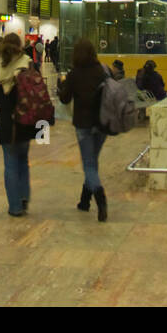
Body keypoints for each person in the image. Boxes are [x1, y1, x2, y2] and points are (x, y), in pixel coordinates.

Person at [58, 38, 112, 221]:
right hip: (102, 124)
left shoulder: (74, 74)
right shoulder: (102, 71)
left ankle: (100, 199)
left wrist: (62, 86)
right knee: (92, 162)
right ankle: (84, 201)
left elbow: (65, 99)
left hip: (84, 125)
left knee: (89, 165)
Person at [0, 33, 36, 216]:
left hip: (7, 120)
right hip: (25, 120)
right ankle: (24, 198)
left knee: (10, 164)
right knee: (23, 160)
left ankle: (15, 207)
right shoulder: (28, 63)